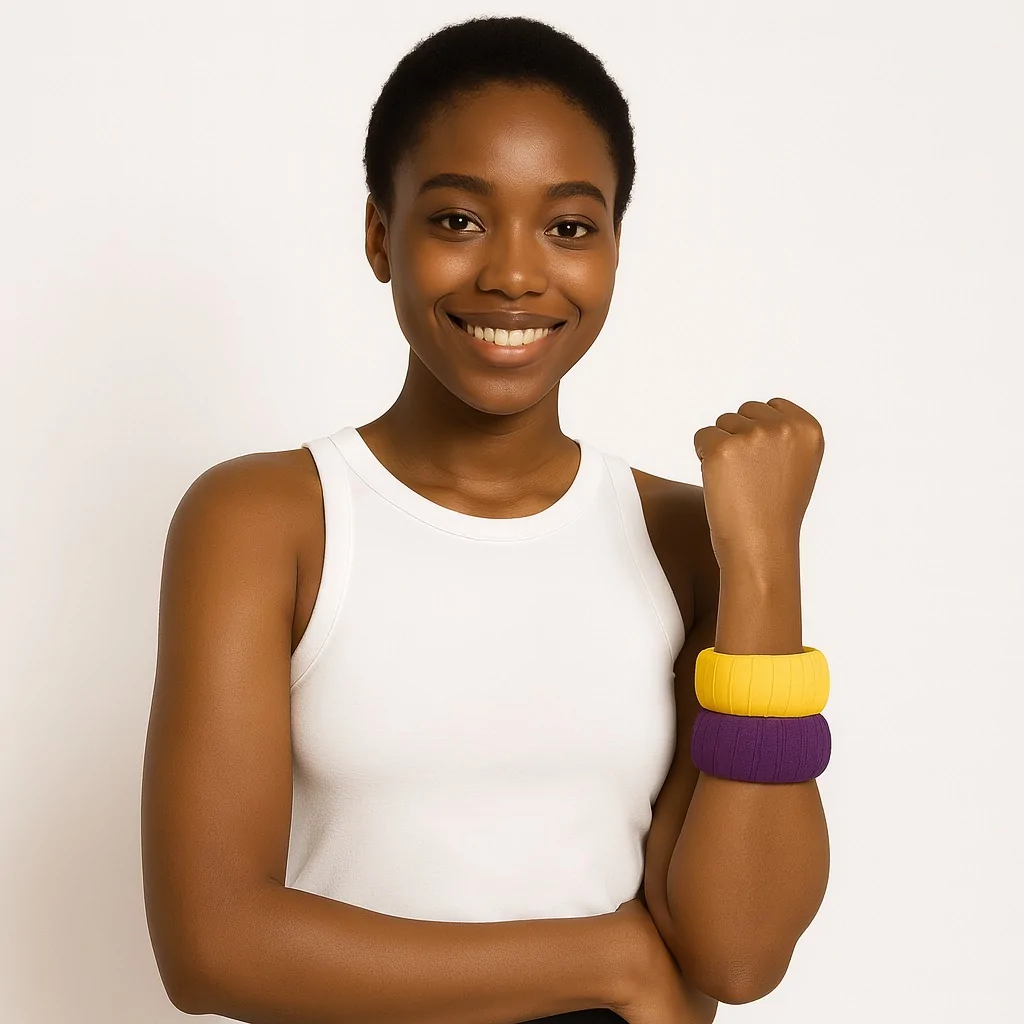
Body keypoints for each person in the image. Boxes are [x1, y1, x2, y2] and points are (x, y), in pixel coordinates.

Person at [142, 16, 730, 1024]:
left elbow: (739, 948)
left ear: (615, 249)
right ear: (381, 234)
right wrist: (608, 959)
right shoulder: (267, 519)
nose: (513, 273)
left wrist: (764, 569)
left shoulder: (688, 535)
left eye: (569, 226)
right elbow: (210, 947)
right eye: (459, 219)